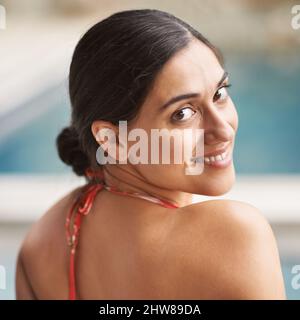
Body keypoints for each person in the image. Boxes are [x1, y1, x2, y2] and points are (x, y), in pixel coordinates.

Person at [15, 9, 286, 300]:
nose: (223, 130)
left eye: (220, 93)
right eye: (182, 114)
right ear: (113, 139)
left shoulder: (40, 243)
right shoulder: (236, 237)